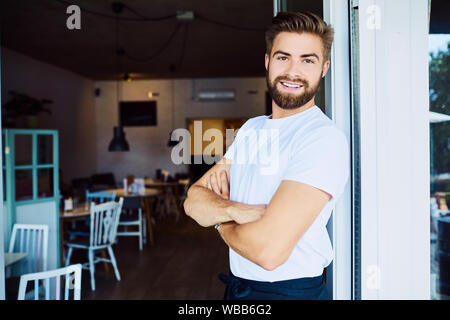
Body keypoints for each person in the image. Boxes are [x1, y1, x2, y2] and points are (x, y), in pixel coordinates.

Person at [184, 11, 349, 300]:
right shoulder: (252, 129)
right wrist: (241, 211)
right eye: (283, 57)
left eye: (307, 60)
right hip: (241, 290)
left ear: (324, 68)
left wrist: (221, 219)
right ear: (267, 62)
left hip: (290, 294)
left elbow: (268, 252)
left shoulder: (322, 138)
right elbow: (193, 202)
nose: (293, 71)